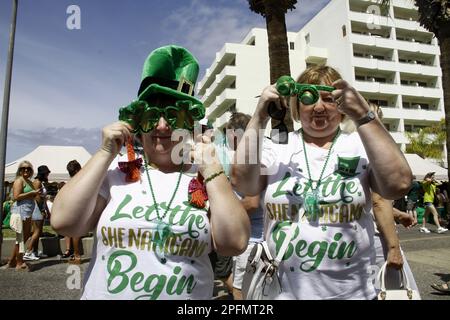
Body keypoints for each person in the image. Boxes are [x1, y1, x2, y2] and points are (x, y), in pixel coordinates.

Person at [51, 45, 250, 300]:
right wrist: (104, 152)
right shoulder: (115, 170)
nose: (163, 125)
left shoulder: (204, 175)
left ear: (190, 124)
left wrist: (212, 169)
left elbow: (234, 242)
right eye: (151, 115)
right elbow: (64, 222)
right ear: (136, 123)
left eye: (174, 114)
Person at [232, 65, 412, 299]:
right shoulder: (276, 146)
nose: (319, 107)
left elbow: (398, 184)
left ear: (341, 104)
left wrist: (363, 113)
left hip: (353, 294)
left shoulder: (359, 144)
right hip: (283, 293)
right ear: (297, 105)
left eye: (329, 98)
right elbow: (241, 181)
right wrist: (259, 115)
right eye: (309, 98)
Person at [224, 112, 264, 300]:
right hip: (248, 240)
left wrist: (224, 213)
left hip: (253, 241)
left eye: (228, 133)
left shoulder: (252, 159)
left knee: (241, 292)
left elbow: (252, 202)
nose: (226, 138)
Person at [5, 161, 42, 271]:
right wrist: (32, 193)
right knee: (21, 238)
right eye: (23, 168)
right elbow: (16, 196)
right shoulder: (19, 180)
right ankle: (19, 263)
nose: (26, 170)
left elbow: (30, 195)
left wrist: (36, 194)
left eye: (29, 169)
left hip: (27, 212)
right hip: (21, 212)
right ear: (20, 170)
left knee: (23, 237)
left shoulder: (29, 182)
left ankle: (12, 261)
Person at [27, 165, 51, 260]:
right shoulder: (37, 182)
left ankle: (35, 252)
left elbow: (42, 198)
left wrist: (46, 210)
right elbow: (37, 198)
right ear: (43, 173)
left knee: (38, 231)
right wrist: (42, 210)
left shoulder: (40, 182)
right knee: (36, 231)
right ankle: (28, 251)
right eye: (47, 173)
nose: (48, 174)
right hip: (36, 209)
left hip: (39, 208)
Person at [62, 160, 83, 264]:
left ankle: (76, 255)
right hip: (78, 207)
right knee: (76, 232)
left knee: (75, 232)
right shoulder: (80, 180)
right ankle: (77, 255)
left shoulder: (70, 182)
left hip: (71, 207)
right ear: (76, 170)